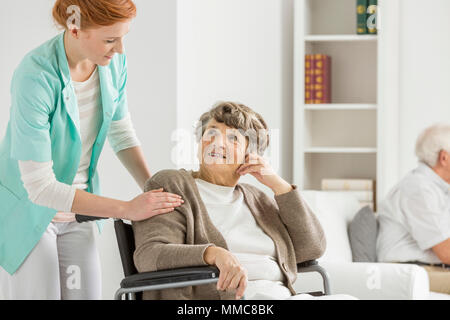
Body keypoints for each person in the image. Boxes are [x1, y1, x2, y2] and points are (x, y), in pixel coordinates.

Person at [0, 0, 183, 300]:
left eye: (123, 37)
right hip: (28, 211)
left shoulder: (112, 64)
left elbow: (121, 133)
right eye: (110, 40)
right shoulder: (35, 75)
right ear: (75, 29)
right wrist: (127, 209)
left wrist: (154, 192)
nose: (120, 49)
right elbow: (40, 188)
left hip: (78, 211)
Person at [132, 101, 356, 300]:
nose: (218, 143)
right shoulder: (173, 183)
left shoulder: (256, 198)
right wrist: (213, 254)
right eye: (211, 132)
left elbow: (312, 249)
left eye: (233, 138)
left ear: (250, 155)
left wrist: (280, 186)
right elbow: (149, 255)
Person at [376, 123, 450, 294]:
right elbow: (446, 252)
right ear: (444, 158)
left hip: (426, 268)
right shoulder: (419, 188)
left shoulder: (437, 188)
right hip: (408, 271)